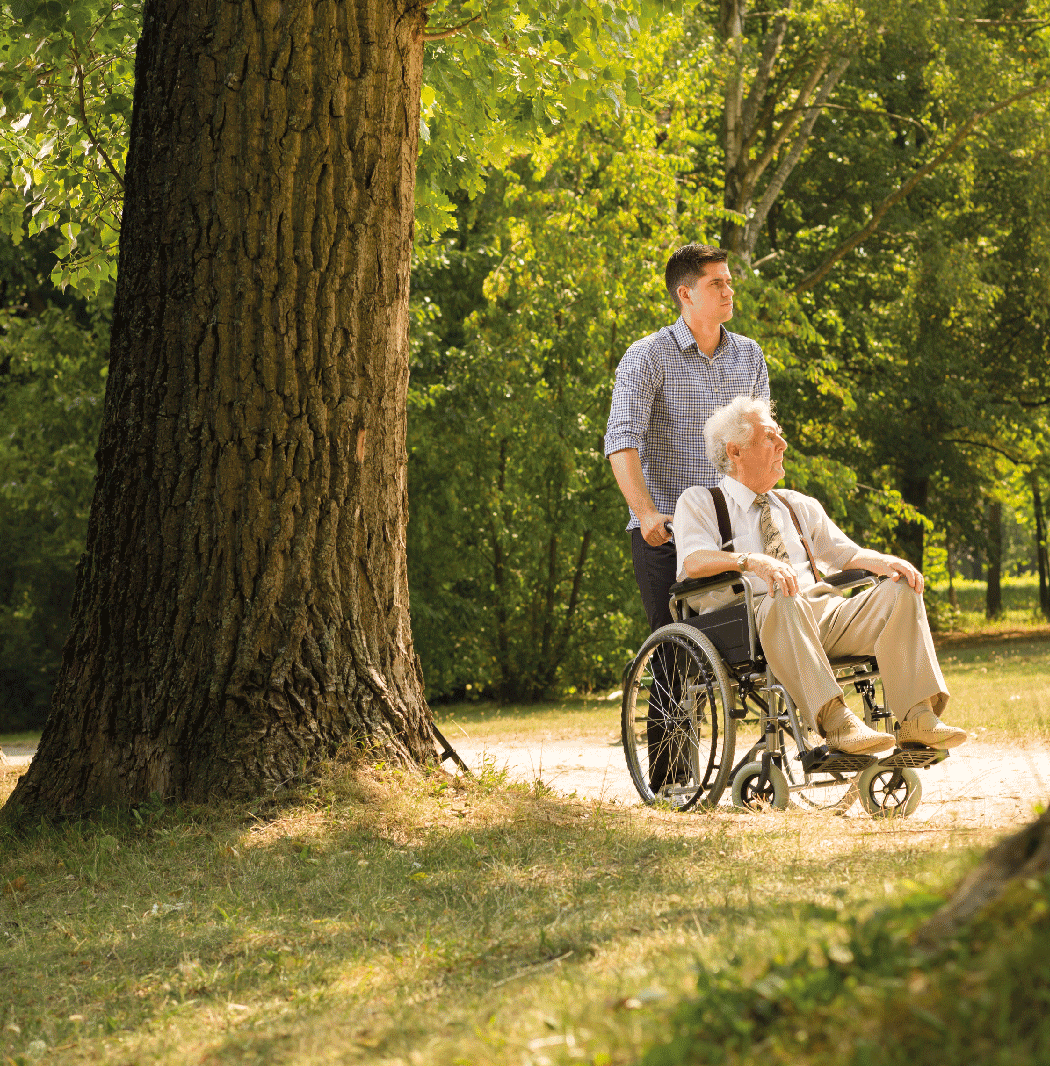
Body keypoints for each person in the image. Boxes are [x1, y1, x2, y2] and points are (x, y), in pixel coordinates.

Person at [672, 396, 968, 755]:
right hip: (753, 625)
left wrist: (887, 562)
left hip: (822, 617)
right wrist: (752, 561)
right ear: (735, 452)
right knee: (783, 594)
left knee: (900, 589)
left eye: (778, 434)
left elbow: (848, 553)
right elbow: (694, 561)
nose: (782, 444)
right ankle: (837, 722)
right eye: (769, 437)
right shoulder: (701, 501)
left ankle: (918, 717)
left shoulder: (797, 505)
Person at [605, 244, 769, 635]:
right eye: (717, 284)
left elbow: (763, 443)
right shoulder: (647, 356)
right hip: (666, 533)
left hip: (734, 530)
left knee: (753, 649)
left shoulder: (749, 355)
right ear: (686, 293)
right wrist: (645, 515)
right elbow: (621, 439)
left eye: (729, 282)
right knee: (676, 661)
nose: (729, 291)